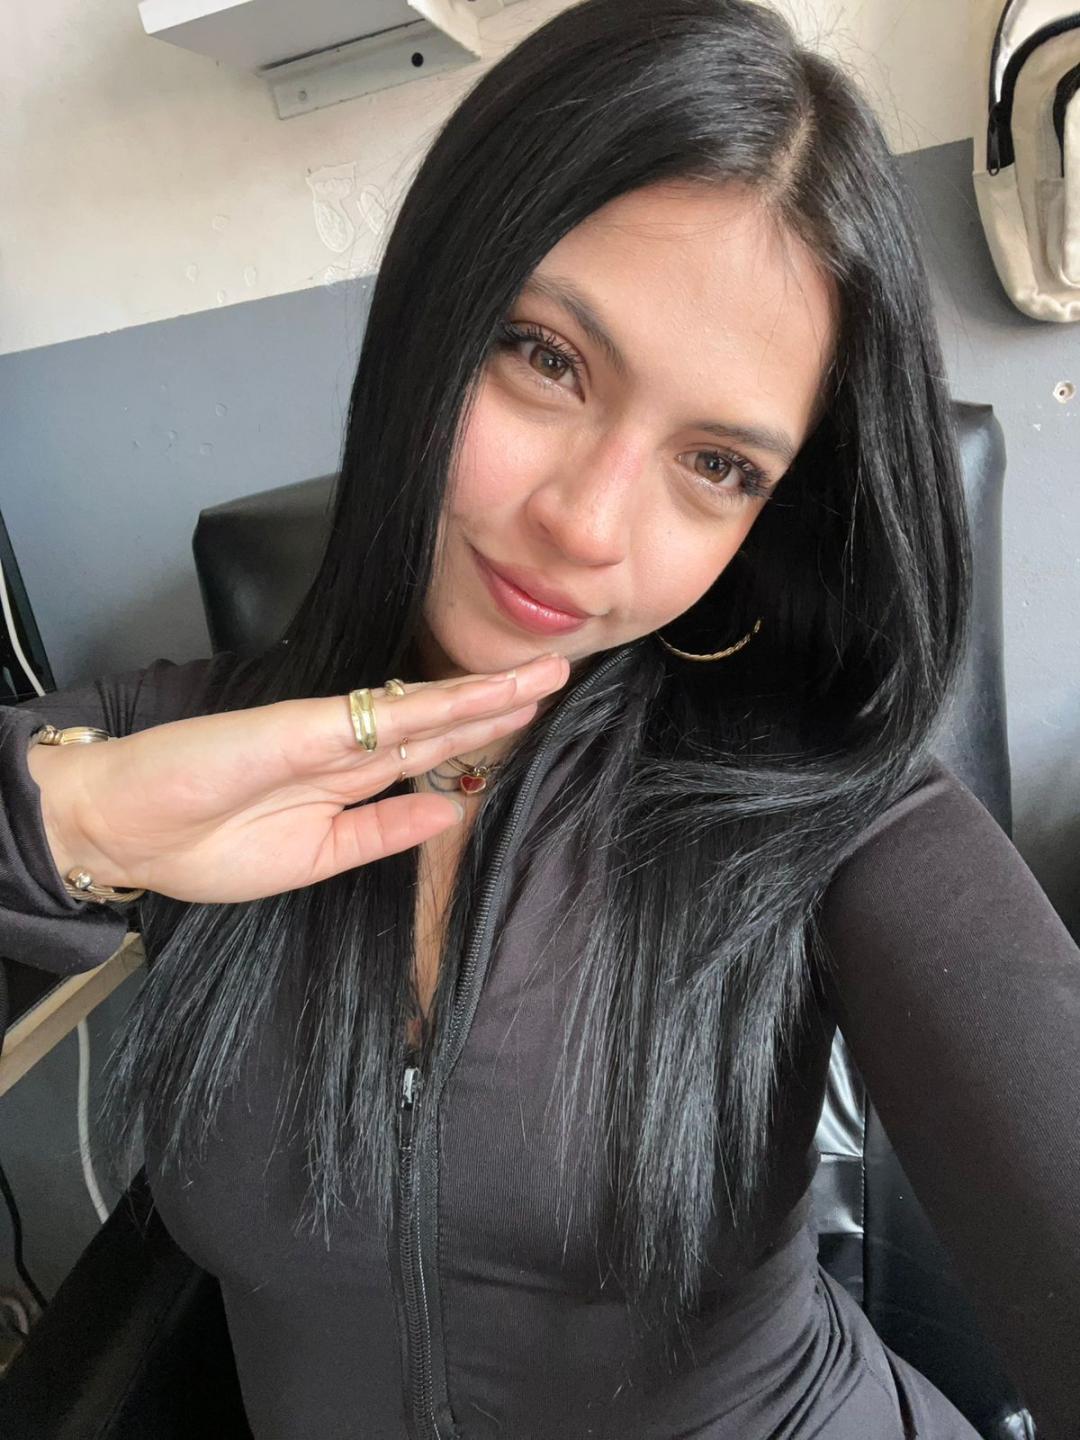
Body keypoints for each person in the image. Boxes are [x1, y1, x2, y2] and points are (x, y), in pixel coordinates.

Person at [1, 0, 1078, 1436]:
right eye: (546, 357)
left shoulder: (825, 811)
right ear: (439, 308)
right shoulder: (191, 750)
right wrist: (75, 821)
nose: (584, 524)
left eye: (717, 464)